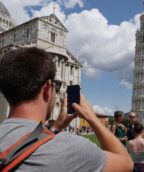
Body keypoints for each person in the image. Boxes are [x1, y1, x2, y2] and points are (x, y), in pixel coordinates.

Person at [0, 47, 133, 172]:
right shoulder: (71, 149)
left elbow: (28, 144)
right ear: (47, 89)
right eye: (56, 87)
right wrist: (91, 117)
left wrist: (56, 127)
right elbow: (126, 163)